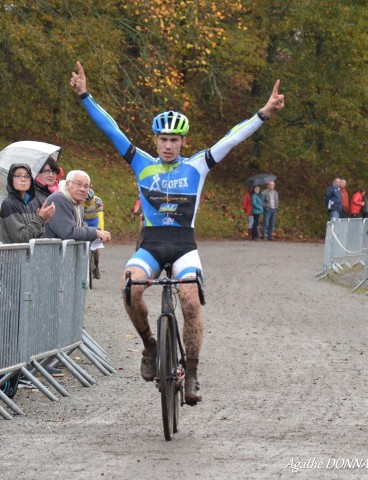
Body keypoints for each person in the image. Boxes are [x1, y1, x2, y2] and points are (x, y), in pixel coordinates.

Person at [70, 60, 285, 404]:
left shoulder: (197, 165)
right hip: (153, 244)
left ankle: (194, 372)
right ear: (155, 140)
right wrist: (85, 96)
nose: (168, 145)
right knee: (130, 287)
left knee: (190, 300)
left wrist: (263, 113)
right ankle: (150, 346)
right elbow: (111, 130)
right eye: (163, 139)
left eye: (174, 140)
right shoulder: (140, 161)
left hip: (184, 244)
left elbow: (232, 138)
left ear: (183, 141)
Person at [44, 170, 112, 243]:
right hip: (52, 252)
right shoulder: (58, 199)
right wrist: (94, 233)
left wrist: (99, 231)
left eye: (86, 186)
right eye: (78, 184)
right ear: (67, 185)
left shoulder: (76, 203)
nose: (82, 189)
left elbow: (80, 226)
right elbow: (68, 232)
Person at [0, 163, 55, 243]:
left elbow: (36, 237)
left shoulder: (31, 203)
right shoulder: (9, 204)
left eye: (27, 176)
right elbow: (21, 239)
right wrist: (40, 218)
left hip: (30, 255)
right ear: (11, 179)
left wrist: (42, 221)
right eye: (18, 176)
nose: (23, 179)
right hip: (13, 255)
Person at [83, 188, 105, 279]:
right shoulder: (80, 201)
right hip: (85, 220)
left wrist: (101, 230)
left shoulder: (97, 201)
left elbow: (100, 216)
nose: (88, 202)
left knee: (96, 245)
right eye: (86, 201)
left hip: (94, 220)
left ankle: (96, 266)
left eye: (89, 200)